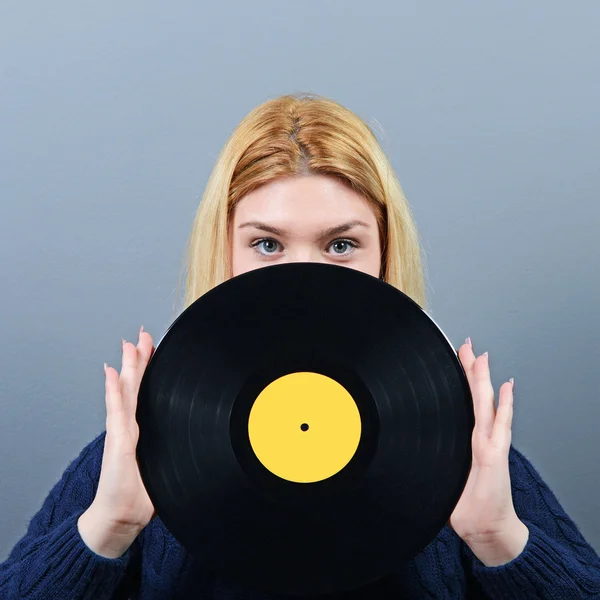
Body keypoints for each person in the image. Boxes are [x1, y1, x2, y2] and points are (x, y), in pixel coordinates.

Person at [1, 93, 599, 600]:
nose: (304, 278)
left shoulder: (457, 445)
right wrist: (108, 526)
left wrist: (499, 538)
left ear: (385, 253)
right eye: (267, 245)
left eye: (341, 245)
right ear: (225, 252)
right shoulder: (143, 444)